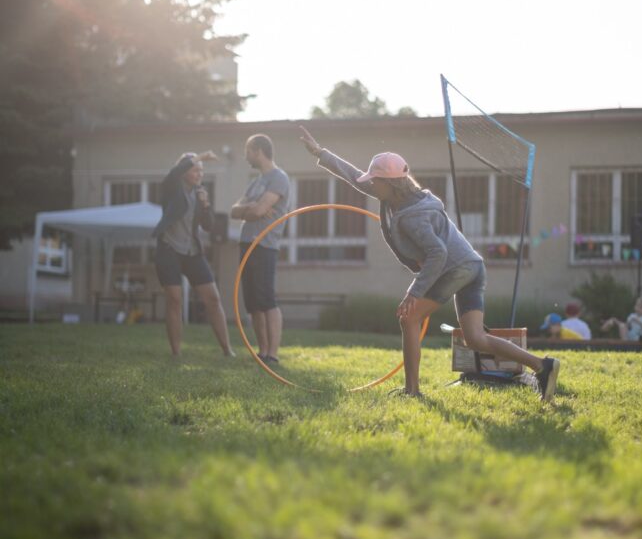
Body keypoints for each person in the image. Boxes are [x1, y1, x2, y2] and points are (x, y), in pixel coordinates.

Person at [298, 126, 559, 401]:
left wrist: (414, 293)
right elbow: (354, 177)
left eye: (375, 180)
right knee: (474, 339)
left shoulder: (413, 215)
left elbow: (438, 254)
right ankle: (543, 365)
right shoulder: (395, 196)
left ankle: (413, 391)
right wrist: (320, 153)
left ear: (391, 183)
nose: (370, 184)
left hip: (455, 268)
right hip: (472, 266)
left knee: (409, 317)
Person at [153, 151, 235, 360]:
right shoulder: (172, 187)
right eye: (195, 169)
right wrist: (201, 156)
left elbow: (208, 226)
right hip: (169, 249)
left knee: (213, 299)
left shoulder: (200, 193)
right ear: (184, 171)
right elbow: (174, 172)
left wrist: (206, 204)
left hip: (192, 252)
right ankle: (176, 353)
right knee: (174, 299)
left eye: (201, 170)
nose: (199, 173)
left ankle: (227, 350)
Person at [231, 134, 291, 365]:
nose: (246, 156)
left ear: (257, 150)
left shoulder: (279, 178)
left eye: (247, 151)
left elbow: (258, 212)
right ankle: (263, 352)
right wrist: (251, 207)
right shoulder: (256, 182)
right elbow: (234, 211)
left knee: (266, 299)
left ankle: (273, 355)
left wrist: (252, 209)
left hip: (264, 245)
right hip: (247, 243)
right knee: (253, 302)